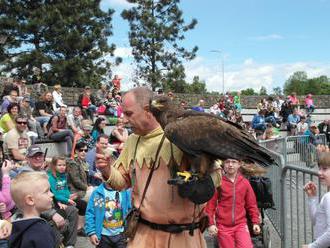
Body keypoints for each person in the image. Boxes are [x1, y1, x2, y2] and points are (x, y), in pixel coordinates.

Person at [95, 87, 222, 248]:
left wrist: (199, 185)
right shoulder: (133, 140)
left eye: (129, 113)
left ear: (148, 111)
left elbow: (217, 175)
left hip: (183, 238)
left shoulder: (182, 132)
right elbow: (122, 182)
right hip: (142, 236)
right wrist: (106, 169)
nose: (124, 119)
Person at [16, 145, 78, 248]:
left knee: (72, 211)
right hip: (37, 212)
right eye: (34, 156)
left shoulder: (40, 170)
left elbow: (49, 191)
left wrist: (57, 202)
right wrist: (52, 214)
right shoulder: (26, 175)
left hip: (49, 205)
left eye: (40, 156)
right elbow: (34, 202)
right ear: (27, 158)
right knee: (53, 223)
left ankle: (69, 245)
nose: (38, 158)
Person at [205, 158, 261, 248]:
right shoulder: (219, 182)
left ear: (239, 164)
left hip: (240, 225)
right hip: (223, 227)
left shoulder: (245, 183)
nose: (230, 165)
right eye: (227, 162)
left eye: (233, 162)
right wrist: (211, 224)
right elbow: (210, 205)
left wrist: (255, 222)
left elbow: (252, 205)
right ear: (223, 164)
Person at [9, 171, 56, 248]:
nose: (52, 194)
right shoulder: (41, 232)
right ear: (30, 200)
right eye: (46, 191)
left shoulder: (16, 226)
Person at [85, 180, 131, 248]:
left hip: (121, 234)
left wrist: (130, 232)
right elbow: (90, 213)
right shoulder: (98, 193)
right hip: (103, 236)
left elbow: (130, 211)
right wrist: (92, 232)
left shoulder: (123, 192)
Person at [303, 145, 330, 248]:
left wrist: (312, 246)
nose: (319, 172)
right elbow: (317, 220)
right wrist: (312, 198)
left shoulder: (328, 197)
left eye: (325, 169)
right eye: (319, 168)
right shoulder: (327, 196)